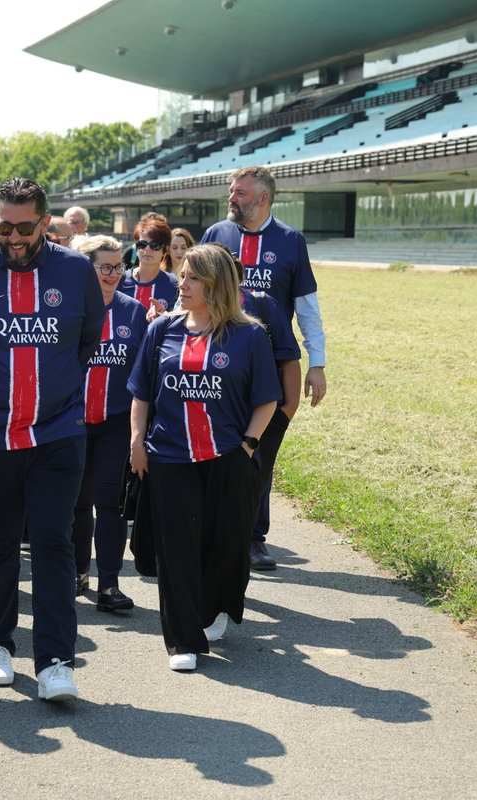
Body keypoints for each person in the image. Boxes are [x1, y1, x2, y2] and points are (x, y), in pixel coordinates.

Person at [0, 177, 105, 702]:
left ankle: (56, 660)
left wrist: (50, 396)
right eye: (3, 225)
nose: (12, 236)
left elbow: (86, 341)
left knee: (54, 543)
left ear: (44, 223)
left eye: (24, 227)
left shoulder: (75, 271)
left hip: (57, 432)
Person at [127, 244, 280, 672]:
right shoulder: (163, 329)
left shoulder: (249, 335)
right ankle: (183, 640)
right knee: (175, 549)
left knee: (225, 545)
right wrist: (137, 442)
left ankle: (215, 608)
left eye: (192, 277)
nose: (181, 282)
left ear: (215, 285)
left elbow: (266, 400)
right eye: (182, 274)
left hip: (226, 457)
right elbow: (141, 393)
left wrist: (248, 444)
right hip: (169, 457)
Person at [199, 165, 328, 569]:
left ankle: (254, 536)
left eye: (239, 193)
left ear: (263, 199)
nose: (231, 198)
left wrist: (317, 363)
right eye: (231, 192)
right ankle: (210, 528)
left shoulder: (290, 241)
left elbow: (307, 307)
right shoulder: (216, 235)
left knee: (260, 452)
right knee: (218, 446)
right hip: (216, 362)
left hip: (270, 364)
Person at [72, 236, 147, 611]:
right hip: (71, 422)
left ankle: (109, 585)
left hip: (116, 423)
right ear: (86, 268)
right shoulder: (69, 307)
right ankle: (76, 572)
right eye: (105, 266)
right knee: (75, 504)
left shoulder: (135, 312)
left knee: (111, 505)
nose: (114, 273)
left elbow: (144, 375)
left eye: (119, 266)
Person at [118, 217, 178, 314]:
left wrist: (161, 320)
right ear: (136, 248)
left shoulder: (174, 285)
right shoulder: (120, 280)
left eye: (155, 245)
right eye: (142, 244)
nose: (147, 249)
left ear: (165, 251)